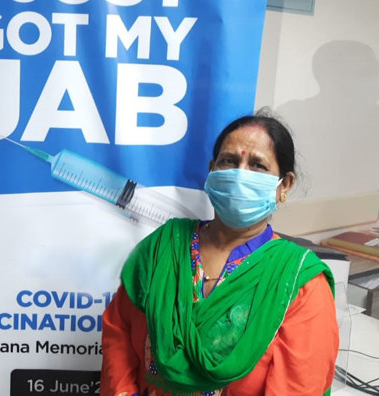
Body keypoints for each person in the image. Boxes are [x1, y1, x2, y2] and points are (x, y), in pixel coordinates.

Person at [100, 113, 339, 396]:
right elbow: (119, 332)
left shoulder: (299, 283)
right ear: (212, 170)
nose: (240, 174)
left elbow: (300, 386)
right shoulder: (161, 249)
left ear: (284, 185)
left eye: (258, 165)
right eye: (229, 161)